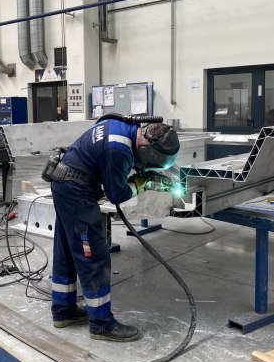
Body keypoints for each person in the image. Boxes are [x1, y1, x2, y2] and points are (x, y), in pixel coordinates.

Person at [48, 117, 180, 342]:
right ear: (148, 151)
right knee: (93, 257)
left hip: (64, 184)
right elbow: (117, 194)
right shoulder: (118, 149)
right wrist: (142, 183)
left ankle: (63, 311)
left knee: (67, 252)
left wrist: (139, 172)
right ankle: (101, 325)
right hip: (77, 192)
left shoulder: (127, 128)